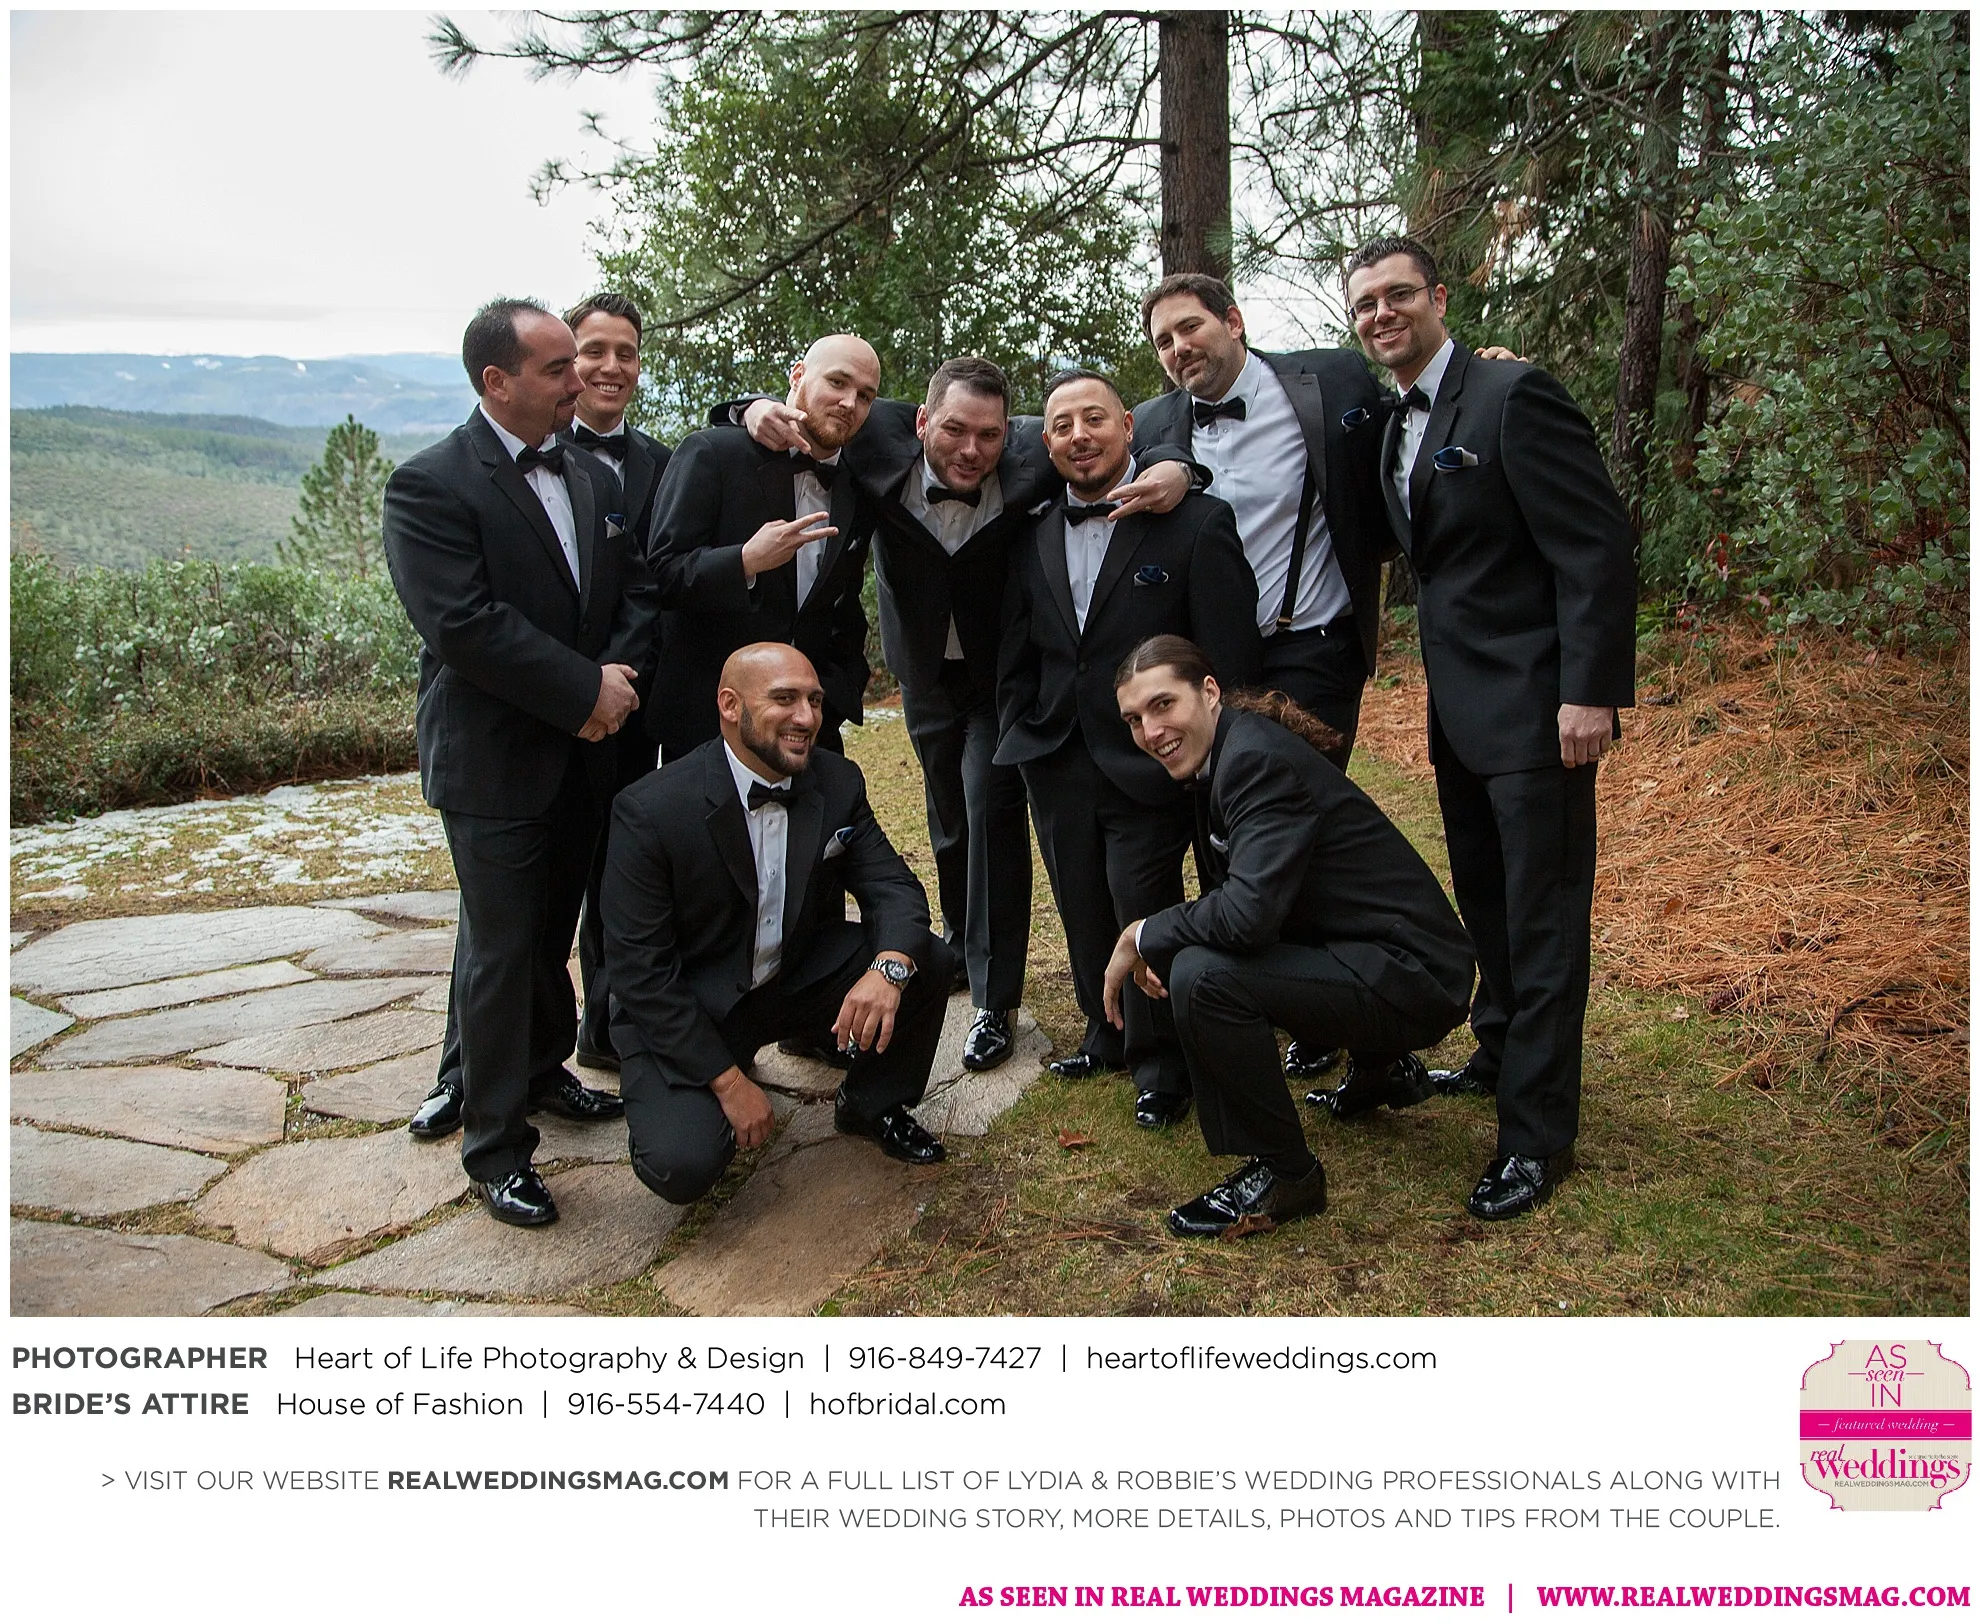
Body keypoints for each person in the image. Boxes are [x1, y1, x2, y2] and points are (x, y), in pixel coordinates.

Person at [714, 362, 1203, 1071]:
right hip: (922, 678)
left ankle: (993, 1004)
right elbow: (814, 409)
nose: (971, 450)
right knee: (947, 819)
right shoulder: (879, 437)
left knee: (987, 810)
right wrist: (748, 407)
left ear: (1011, 435)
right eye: (953, 431)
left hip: (996, 678)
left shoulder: (1035, 449)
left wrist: (1179, 469)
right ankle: (961, 948)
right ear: (920, 423)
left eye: (988, 436)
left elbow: (1131, 435)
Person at [1346, 234, 1637, 1220]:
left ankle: (1538, 1138)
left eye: (1398, 295)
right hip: (1458, 718)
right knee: (1491, 908)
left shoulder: (1515, 396)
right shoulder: (1392, 424)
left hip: (1541, 712)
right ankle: (1501, 1052)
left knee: (1544, 923)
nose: (1381, 315)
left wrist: (1589, 692)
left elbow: (1594, 546)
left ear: (1438, 297)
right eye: (1364, 305)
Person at [383, 297, 653, 1227]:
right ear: (496, 381)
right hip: (494, 762)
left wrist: (616, 685)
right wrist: (583, 690)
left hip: (588, 752)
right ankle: (496, 1147)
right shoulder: (428, 486)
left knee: (548, 938)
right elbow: (464, 625)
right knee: (500, 953)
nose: (580, 380)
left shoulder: (588, 475)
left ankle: (543, 1073)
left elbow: (628, 592)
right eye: (558, 367)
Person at [1102, 637, 1475, 1238]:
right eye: (1134, 719)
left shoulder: (1253, 760)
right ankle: (1381, 1073)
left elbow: (1246, 916)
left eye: (1163, 704)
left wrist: (1143, 934)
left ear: (1209, 691)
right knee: (1201, 952)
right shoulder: (1229, 749)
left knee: (1202, 975)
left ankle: (1285, 1174)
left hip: (1416, 978)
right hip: (1384, 953)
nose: (1150, 731)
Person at [995, 368, 1262, 1128]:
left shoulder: (1196, 522)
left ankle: (1162, 1061)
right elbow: (1018, 647)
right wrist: (1022, 725)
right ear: (1047, 443)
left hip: (1150, 756)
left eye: (1095, 419)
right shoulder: (1029, 531)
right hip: (1055, 751)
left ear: (1129, 428)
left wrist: (1211, 754)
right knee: (1079, 899)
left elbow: (1229, 655)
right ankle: (1104, 1031)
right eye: (1062, 426)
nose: (1079, 436)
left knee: (1140, 899)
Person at [602, 643, 956, 1203]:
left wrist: (887, 970)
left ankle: (871, 1104)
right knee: (684, 1166)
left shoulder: (837, 781)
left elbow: (894, 888)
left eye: (814, 701)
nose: (806, 718)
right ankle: (702, 1088)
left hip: (788, 978)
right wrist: (727, 1081)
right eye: (785, 699)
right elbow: (640, 975)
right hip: (693, 1004)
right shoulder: (650, 810)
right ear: (730, 705)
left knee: (926, 957)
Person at [645, 334, 882, 762]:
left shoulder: (857, 487)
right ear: (797, 376)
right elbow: (661, 575)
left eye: (865, 395)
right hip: (706, 725)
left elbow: (841, 605)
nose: (849, 402)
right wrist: (744, 561)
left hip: (810, 730)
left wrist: (841, 689)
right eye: (837, 382)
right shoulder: (712, 452)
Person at [557, 292, 674, 1073]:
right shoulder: (533, 454)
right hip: (547, 702)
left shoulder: (661, 463)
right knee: (527, 894)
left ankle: (603, 1032)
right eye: (593, 350)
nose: (610, 366)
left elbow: (655, 579)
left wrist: (619, 678)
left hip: (633, 702)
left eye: (625, 352)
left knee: (618, 873)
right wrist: (576, 684)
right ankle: (469, 1069)